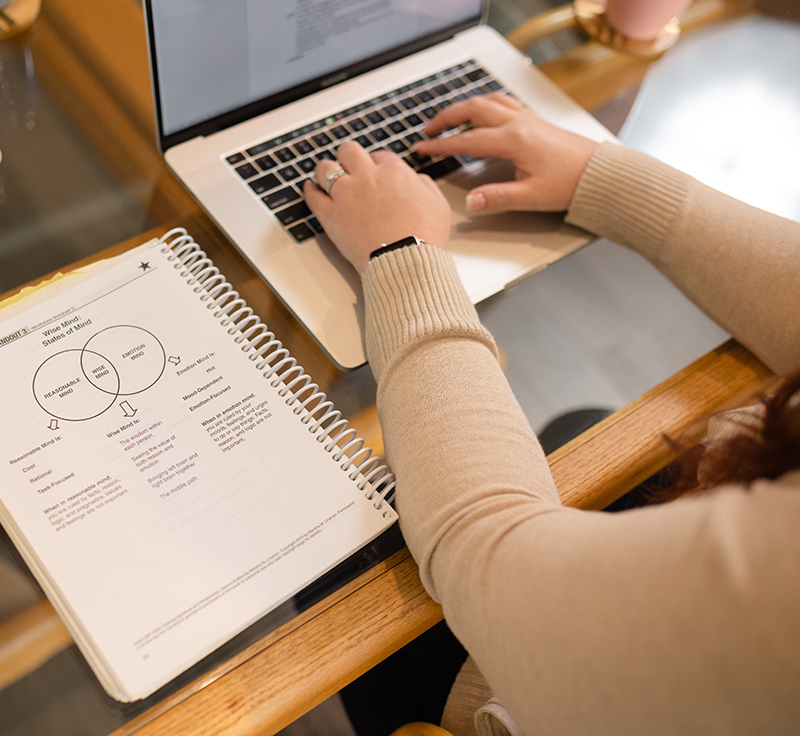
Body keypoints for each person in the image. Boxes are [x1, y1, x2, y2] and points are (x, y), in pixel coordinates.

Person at [303, 94, 800, 735]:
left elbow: (488, 548)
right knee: (582, 426)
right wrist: (605, 179)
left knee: (339, 547)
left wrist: (401, 255)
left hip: (532, 688)